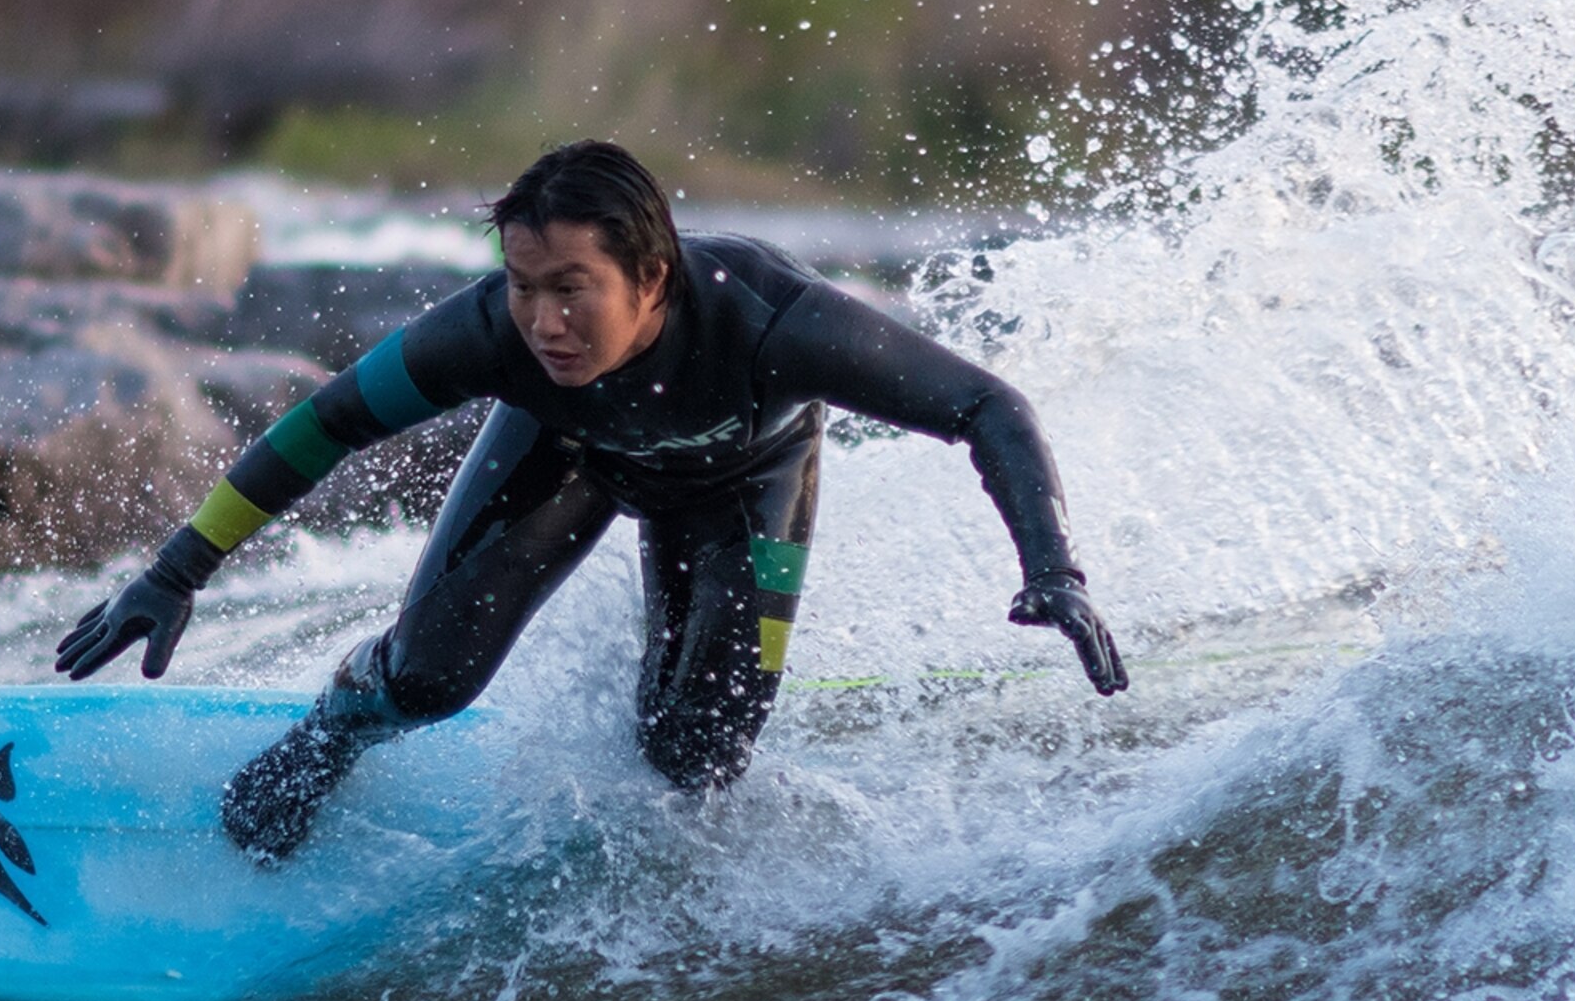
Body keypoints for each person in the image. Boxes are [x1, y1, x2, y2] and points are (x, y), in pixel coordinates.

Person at [55, 140, 1125, 861]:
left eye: (572, 288)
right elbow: (325, 424)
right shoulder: (493, 336)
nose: (542, 319)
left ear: (650, 277)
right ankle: (330, 732)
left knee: (694, 759)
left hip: (746, 481)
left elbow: (988, 406)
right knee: (428, 681)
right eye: (524, 284)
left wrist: (1052, 571)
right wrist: (173, 571)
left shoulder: (774, 323)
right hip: (566, 454)